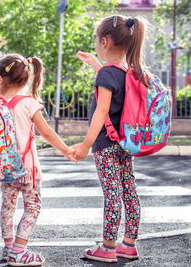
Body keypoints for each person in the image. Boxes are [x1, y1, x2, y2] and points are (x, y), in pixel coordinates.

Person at [73, 15, 147, 263]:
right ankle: (129, 244)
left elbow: (102, 110)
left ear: (104, 41)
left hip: (105, 146)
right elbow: (113, 86)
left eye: (97, 41)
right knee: (129, 192)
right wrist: (96, 64)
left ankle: (107, 248)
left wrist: (86, 144)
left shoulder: (106, 75)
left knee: (112, 195)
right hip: (125, 143)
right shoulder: (130, 72)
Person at [0, 53, 77, 266]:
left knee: (7, 207)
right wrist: (66, 150)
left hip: (6, 168)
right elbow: (46, 133)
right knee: (32, 206)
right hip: (28, 169)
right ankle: (19, 251)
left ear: (0, 80)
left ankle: (9, 247)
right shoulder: (29, 104)